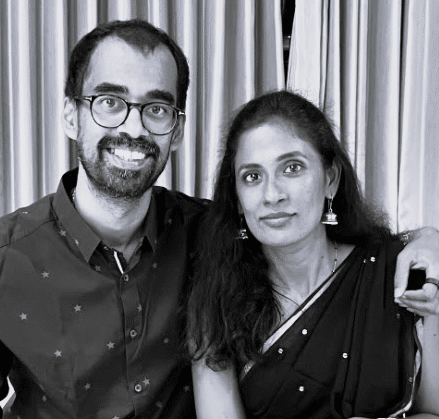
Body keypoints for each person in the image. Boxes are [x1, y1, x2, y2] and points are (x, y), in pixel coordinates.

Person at [0, 20, 437, 419]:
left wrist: (427, 239)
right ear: (71, 115)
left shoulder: (208, 233)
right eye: (109, 102)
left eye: (156, 108)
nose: (134, 127)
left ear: (176, 130)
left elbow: (315, 241)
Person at [188, 90, 439, 419]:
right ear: (236, 198)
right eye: (252, 176)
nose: (272, 195)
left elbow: (432, 411)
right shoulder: (216, 302)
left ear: (330, 180)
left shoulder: (399, 274)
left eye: (292, 168)